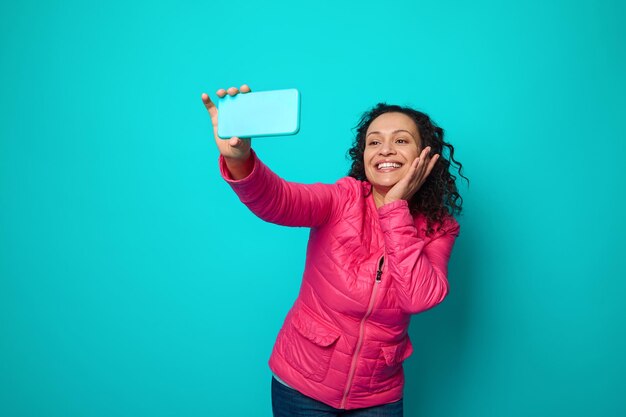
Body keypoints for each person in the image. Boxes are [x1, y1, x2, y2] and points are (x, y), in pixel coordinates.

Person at [201, 84, 466, 417]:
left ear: (425, 155)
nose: (384, 150)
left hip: (378, 396)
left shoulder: (439, 228)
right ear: (363, 155)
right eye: (374, 142)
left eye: (400, 140)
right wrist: (238, 160)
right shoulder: (342, 199)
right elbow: (278, 200)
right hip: (302, 386)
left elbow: (419, 297)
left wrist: (395, 207)